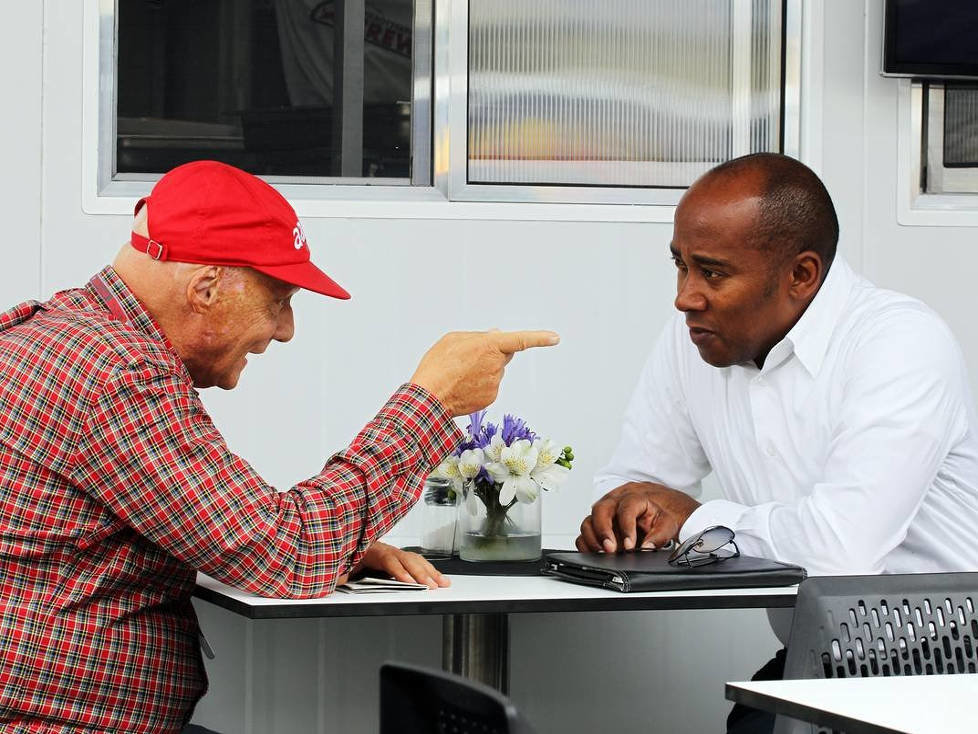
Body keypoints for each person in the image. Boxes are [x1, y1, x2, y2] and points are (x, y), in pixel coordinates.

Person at [0, 160, 559, 733]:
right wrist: (432, 401)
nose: (287, 328)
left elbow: (217, 530)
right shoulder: (117, 373)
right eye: (279, 299)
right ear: (206, 288)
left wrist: (344, 541)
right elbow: (286, 552)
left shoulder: (56, 334)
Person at [576, 153, 978, 733]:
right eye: (680, 266)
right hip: (820, 660)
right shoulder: (694, 338)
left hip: (945, 665)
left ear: (802, 275)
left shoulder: (899, 343)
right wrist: (623, 514)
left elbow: (841, 554)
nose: (685, 297)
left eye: (712, 273)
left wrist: (692, 522)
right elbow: (640, 480)